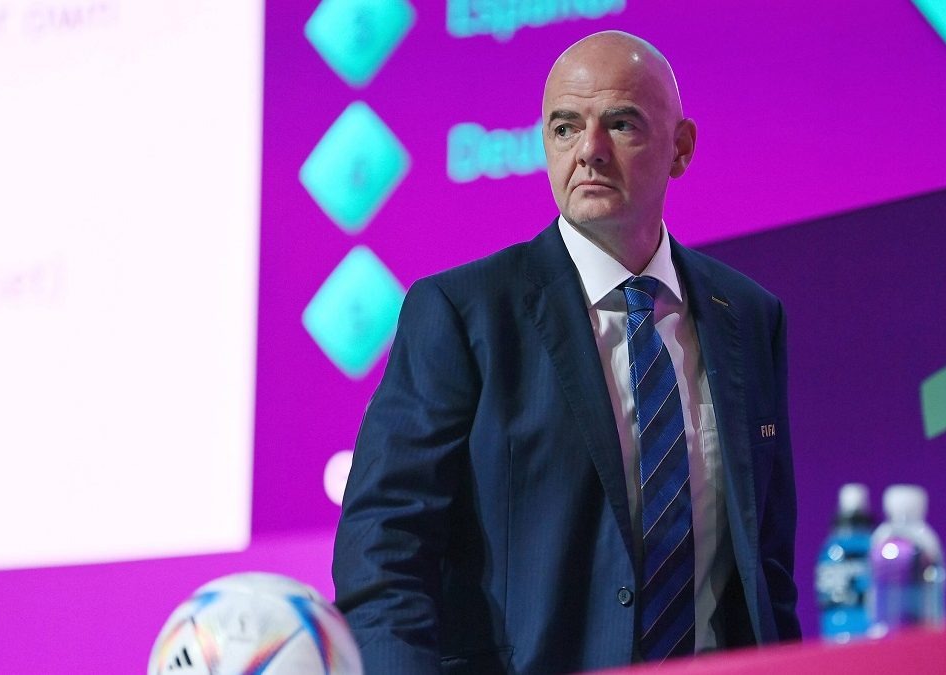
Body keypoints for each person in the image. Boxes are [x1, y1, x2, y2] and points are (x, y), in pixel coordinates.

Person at [333, 30, 800, 674]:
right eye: (565, 128)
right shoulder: (463, 313)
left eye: (621, 124)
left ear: (681, 148)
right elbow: (384, 548)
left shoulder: (746, 316)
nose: (590, 151)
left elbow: (766, 566)